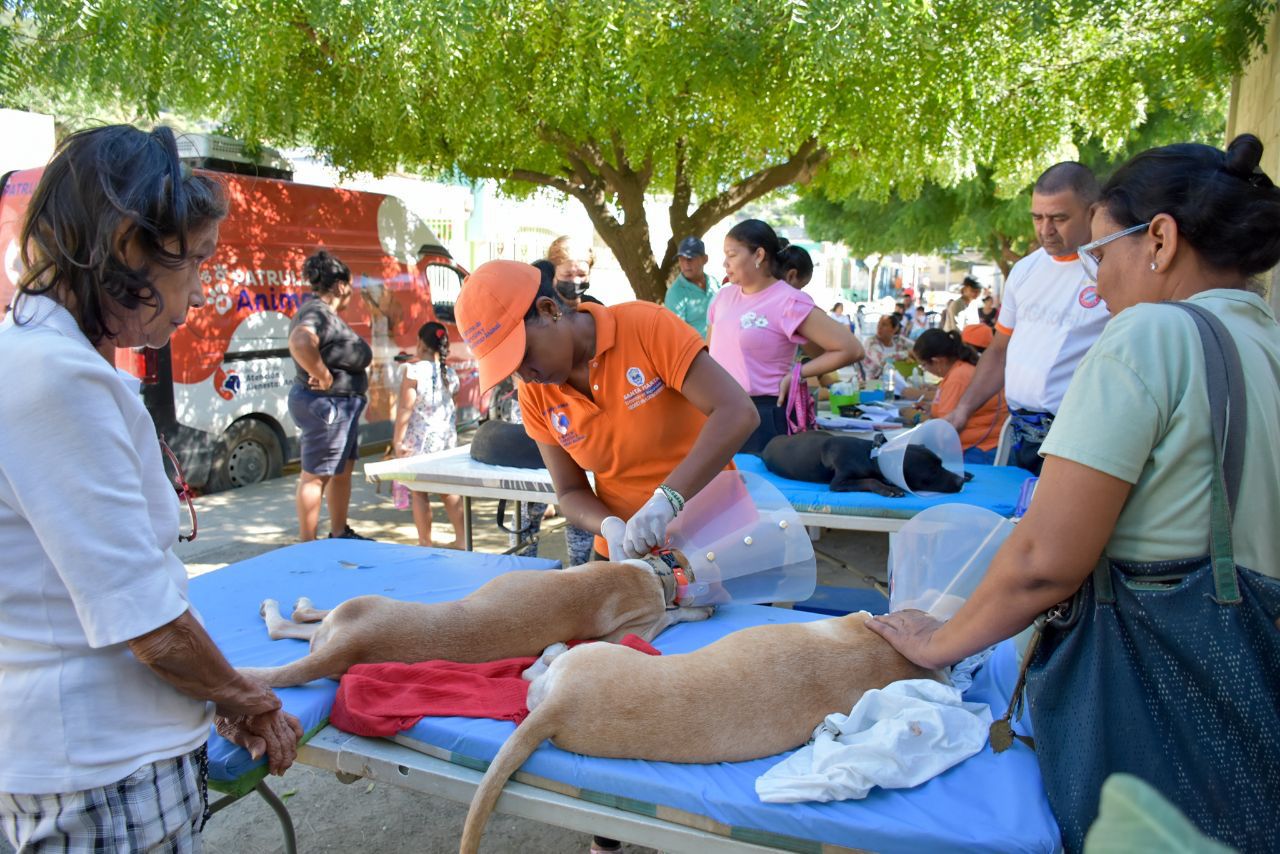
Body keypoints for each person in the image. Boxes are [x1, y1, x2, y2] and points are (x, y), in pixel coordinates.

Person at [867, 135, 1280, 854]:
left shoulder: (1152, 333)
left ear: (1159, 240)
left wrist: (939, 642)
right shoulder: (1265, 339)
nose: (1098, 280)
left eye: (1099, 252)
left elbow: (1044, 562)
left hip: (1153, 680)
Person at [0, 124, 301, 852]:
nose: (197, 291)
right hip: (100, 769)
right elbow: (146, 620)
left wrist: (216, 694)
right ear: (128, 247)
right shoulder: (53, 377)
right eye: (192, 261)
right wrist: (243, 697)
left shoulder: (46, 358)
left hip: (99, 759)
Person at [456, 259, 758, 562]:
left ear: (548, 310)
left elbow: (737, 412)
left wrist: (668, 499)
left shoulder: (644, 327)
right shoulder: (535, 393)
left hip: (718, 539)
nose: (525, 375)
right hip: (628, 553)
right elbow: (570, 491)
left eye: (524, 355)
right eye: (510, 369)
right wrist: (610, 526)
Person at [942, 163, 1107, 474]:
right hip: (1022, 433)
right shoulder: (1025, 270)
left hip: (1078, 438)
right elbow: (1000, 351)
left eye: (1059, 218)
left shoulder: (1109, 270)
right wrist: (963, 409)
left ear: (1093, 212)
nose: (1046, 230)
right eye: (1037, 217)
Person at [707, 219, 862, 453]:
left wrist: (798, 374)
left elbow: (851, 349)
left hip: (763, 417)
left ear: (759, 255)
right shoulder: (722, 297)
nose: (725, 263)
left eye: (732, 255)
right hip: (718, 415)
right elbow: (710, 355)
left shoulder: (788, 300)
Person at [287, 249, 374, 541]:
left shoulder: (324, 314)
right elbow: (301, 340)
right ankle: (307, 545)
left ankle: (339, 533)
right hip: (328, 408)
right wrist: (323, 375)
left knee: (340, 471)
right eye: (350, 285)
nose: (352, 291)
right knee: (316, 476)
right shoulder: (317, 312)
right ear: (339, 286)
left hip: (340, 408)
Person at [392, 322, 465, 548]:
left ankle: (425, 542)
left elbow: (405, 408)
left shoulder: (413, 371)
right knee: (449, 491)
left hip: (420, 442)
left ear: (420, 343)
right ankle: (463, 539)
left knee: (419, 493)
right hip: (445, 441)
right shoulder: (450, 374)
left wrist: (397, 441)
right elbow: (453, 408)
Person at [901, 329, 1007, 464]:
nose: (925, 369)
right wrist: (931, 408)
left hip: (979, 451)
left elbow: (944, 429)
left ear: (937, 361)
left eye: (924, 365)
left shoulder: (958, 377)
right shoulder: (959, 370)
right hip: (980, 447)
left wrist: (915, 415)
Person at [663, 236, 719, 336]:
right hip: (698, 346)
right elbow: (676, 335)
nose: (685, 264)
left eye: (690, 259)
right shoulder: (675, 293)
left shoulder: (714, 282)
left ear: (705, 259)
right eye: (681, 259)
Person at [545, 234, 603, 309]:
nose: (576, 281)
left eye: (582, 275)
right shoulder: (539, 308)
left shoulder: (595, 309)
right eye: (567, 275)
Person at [861, 313, 913, 381]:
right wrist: (907, 354)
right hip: (873, 383)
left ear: (895, 328)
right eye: (879, 324)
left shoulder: (899, 341)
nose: (879, 327)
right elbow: (882, 360)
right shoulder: (871, 342)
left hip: (896, 381)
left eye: (884, 325)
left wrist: (912, 355)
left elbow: (917, 349)